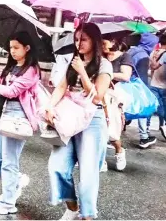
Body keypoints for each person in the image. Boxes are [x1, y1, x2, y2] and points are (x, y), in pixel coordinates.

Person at [44, 23, 112, 220]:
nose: (78, 43)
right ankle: (72, 207)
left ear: (95, 41)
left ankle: (87, 215)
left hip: (92, 120)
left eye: (83, 39)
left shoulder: (104, 65)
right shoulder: (73, 61)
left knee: (88, 172)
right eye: (76, 39)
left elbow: (98, 96)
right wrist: (49, 105)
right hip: (69, 118)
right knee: (57, 167)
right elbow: (61, 87)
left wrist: (82, 72)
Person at [0, 31, 41, 215]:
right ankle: (16, 180)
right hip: (2, 115)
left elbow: (12, 91)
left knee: (9, 161)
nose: (13, 51)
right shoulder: (10, 67)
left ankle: (8, 203)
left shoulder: (32, 70)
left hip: (18, 117)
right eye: (11, 48)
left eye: (16, 48)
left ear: (27, 48)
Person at [102, 36, 133, 170]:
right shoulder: (101, 56)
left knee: (112, 129)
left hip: (114, 97)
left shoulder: (124, 57)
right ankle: (100, 159)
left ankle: (119, 151)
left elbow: (126, 76)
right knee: (98, 127)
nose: (102, 45)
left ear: (114, 42)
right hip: (99, 93)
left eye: (104, 43)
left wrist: (107, 74)